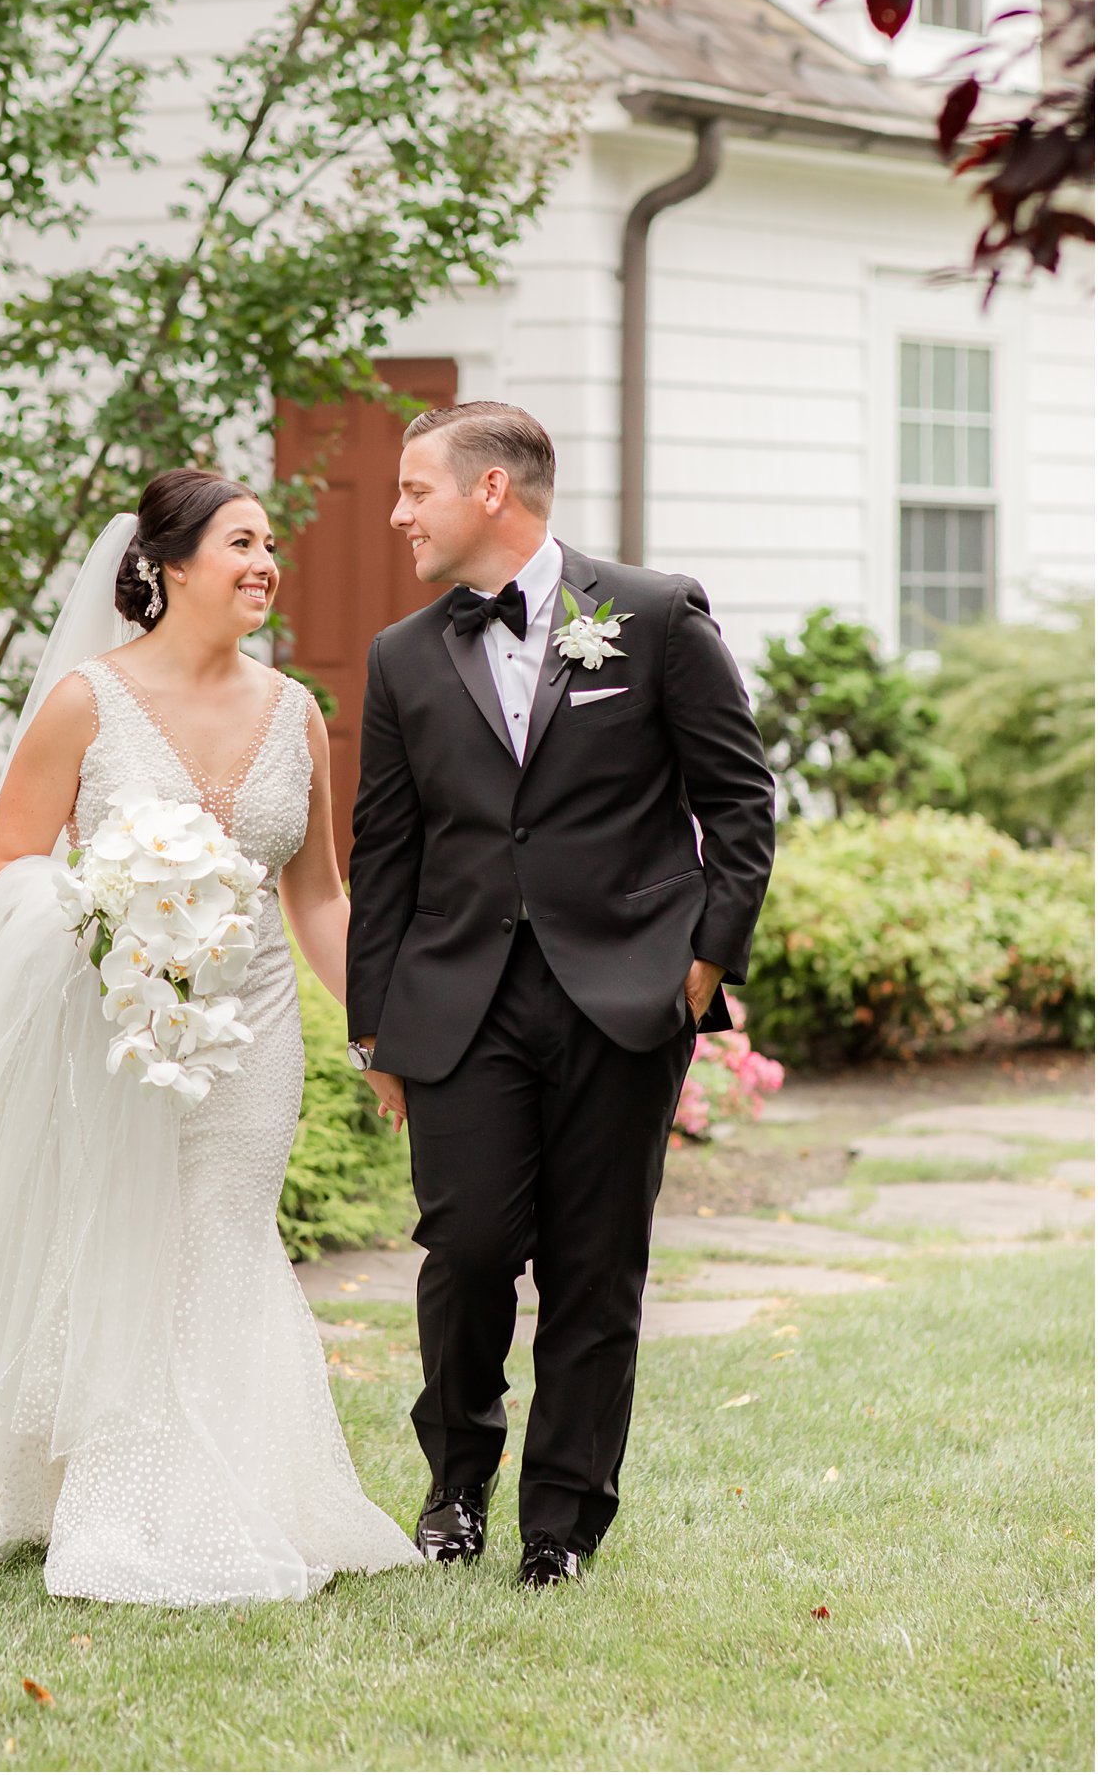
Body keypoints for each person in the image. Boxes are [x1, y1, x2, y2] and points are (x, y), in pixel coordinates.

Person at [0, 470, 421, 1604]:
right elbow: (9, 876)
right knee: (134, 1235)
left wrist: (374, 1033)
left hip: (260, 1026)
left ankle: (251, 1493)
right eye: (240, 542)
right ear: (168, 565)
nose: (264, 563)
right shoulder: (87, 702)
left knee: (226, 1230)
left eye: (269, 544)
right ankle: (120, 1502)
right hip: (121, 1025)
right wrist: (113, 921)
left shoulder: (297, 713)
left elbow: (318, 897)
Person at [346, 402, 776, 1588]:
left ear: (490, 493)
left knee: (594, 1266)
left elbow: (737, 802)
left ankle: (562, 1524)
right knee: (469, 1246)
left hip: (624, 995)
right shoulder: (397, 655)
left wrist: (703, 961)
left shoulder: (650, 617)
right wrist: (371, 1022)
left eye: (412, 490)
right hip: (456, 999)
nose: (395, 515)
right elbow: (382, 849)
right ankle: (454, 1484)